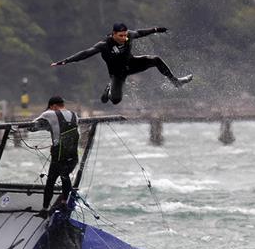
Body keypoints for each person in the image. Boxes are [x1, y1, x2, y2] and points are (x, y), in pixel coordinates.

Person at [51, 23, 192, 105]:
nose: (124, 38)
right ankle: (109, 89)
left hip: (132, 64)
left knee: (155, 59)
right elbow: (86, 53)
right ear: (113, 34)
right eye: (120, 36)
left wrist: (156, 30)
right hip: (117, 74)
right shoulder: (104, 45)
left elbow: (141, 32)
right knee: (116, 100)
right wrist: (65, 61)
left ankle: (176, 82)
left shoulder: (129, 35)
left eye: (125, 35)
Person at [30, 96, 79, 217]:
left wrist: (45, 127)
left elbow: (32, 126)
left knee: (50, 181)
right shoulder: (75, 115)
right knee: (65, 176)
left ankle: (45, 210)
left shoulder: (50, 113)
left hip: (59, 155)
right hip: (73, 155)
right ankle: (63, 202)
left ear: (53, 106)